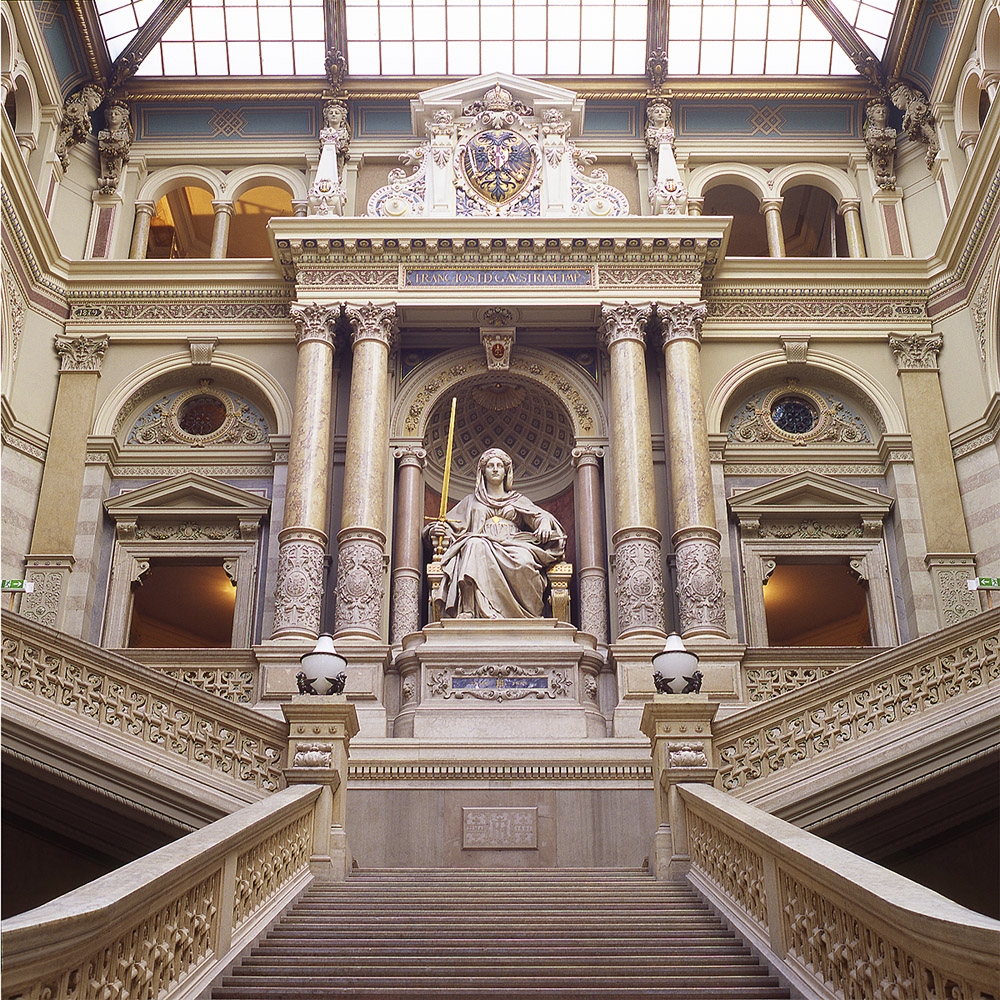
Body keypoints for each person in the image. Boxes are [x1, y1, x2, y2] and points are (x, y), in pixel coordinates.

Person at [425, 448, 566, 619]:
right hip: (481, 543)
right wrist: (437, 530)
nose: (495, 469)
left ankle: (529, 615)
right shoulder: (471, 501)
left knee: (524, 561)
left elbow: (540, 516)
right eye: (490, 465)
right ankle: (470, 610)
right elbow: (449, 525)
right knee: (473, 545)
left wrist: (543, 523)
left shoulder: (517, 500)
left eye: (499, 465)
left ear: (506, 472)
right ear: (483, 472)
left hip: (514, 543)